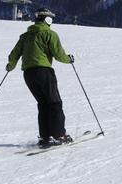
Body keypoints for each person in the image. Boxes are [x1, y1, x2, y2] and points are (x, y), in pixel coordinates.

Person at [6, 8, 75, 147]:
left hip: (28, 74)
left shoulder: (25, 36)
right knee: (55, 103)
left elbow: (14, 54)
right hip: (44, 71)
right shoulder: (50, 34)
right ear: (47, 20)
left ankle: (45, 137)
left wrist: (10, 66)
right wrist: (69, 59)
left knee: (43, 104)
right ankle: (59, 135)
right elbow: (58, 54)